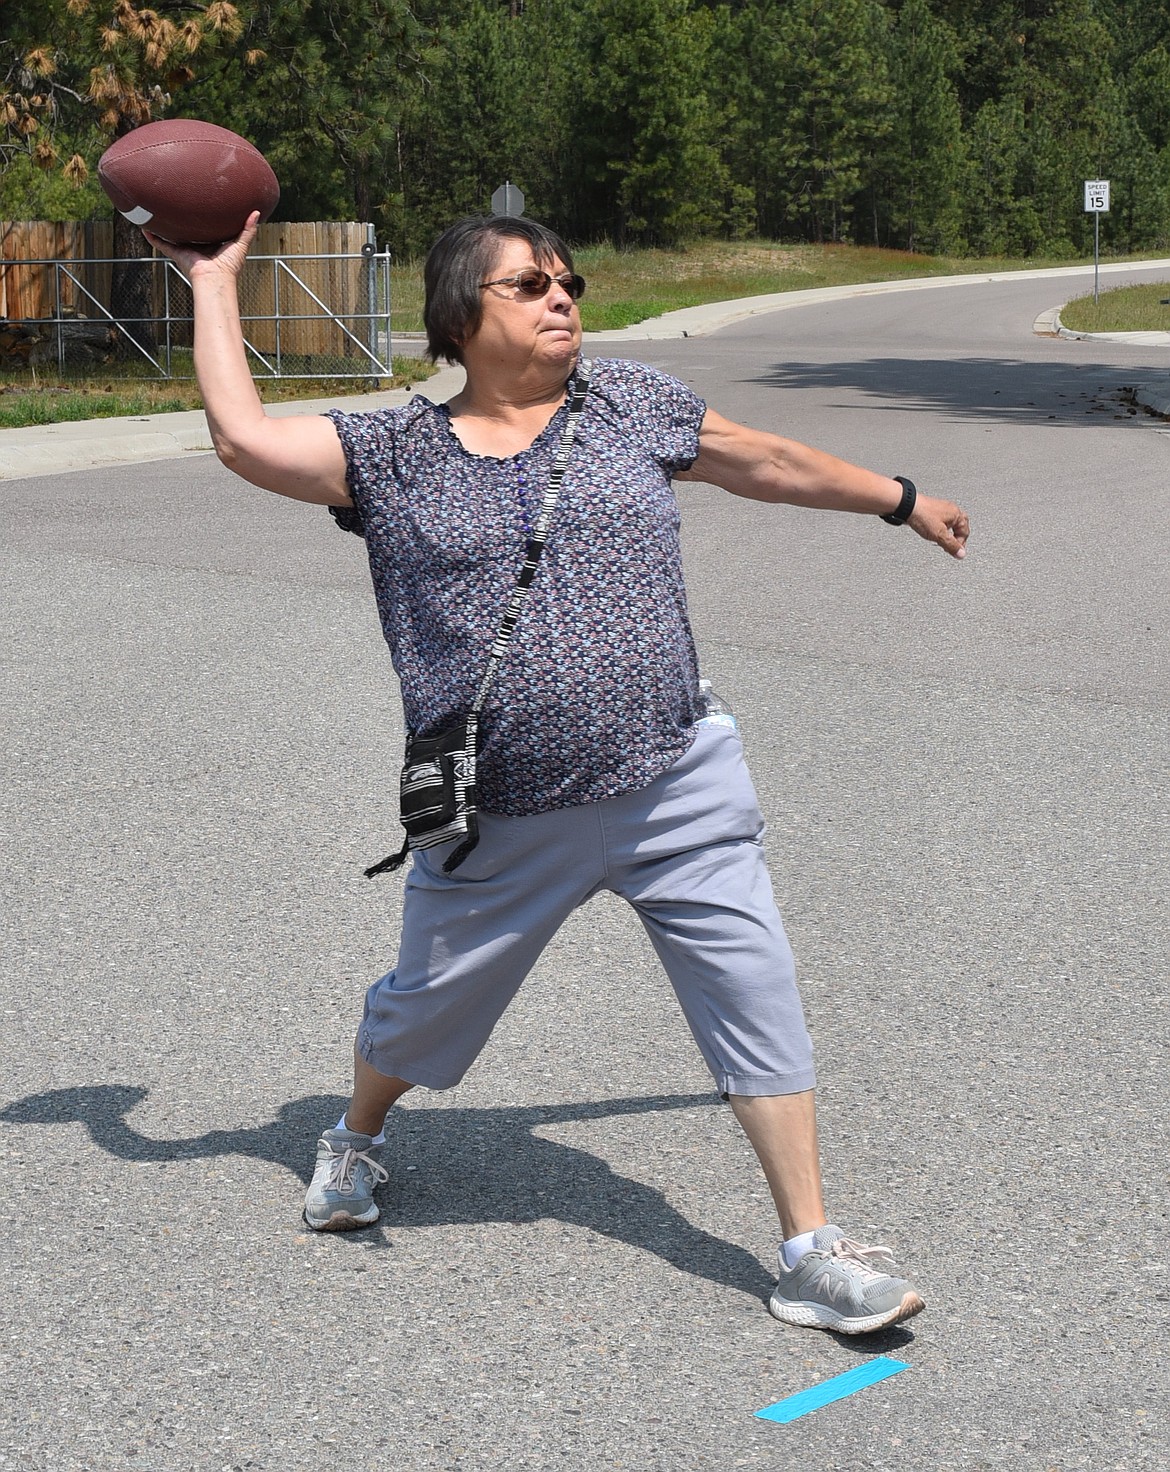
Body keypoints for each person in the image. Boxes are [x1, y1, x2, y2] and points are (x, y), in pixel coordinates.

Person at [149, 210, 969, 1336]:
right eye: (529, 286)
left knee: (757, 997)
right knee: (420, 1015)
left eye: (568, 282)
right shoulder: (392, 457)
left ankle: (811, 1251)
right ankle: (358, 1133)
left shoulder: (629, 404)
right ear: (458, 315)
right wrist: (213, 282)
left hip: (677, 777)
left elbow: (766, 461)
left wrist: (901, 496)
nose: (562, 300)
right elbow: (242, 440)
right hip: (505, 815)